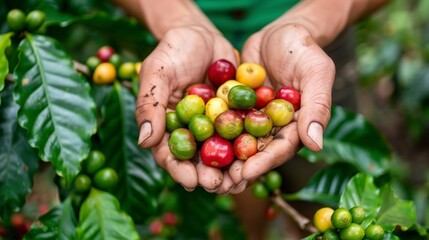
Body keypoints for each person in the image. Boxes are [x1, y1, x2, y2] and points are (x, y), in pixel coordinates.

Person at [113, 0, 389, 238]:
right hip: (183, 50)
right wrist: (179, 19)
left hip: (308, 43)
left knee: (320, 192)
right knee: (240, 193)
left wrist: (308, 22)